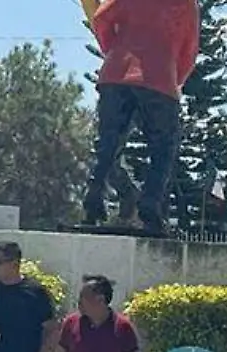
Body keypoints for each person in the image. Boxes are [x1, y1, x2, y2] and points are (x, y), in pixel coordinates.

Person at [82, 0, 200, 235]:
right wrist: (176, 80)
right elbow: (189, 50)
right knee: (163, 148)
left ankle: (93, 197)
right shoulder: (188, 4)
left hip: (116, 74)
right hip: (159, 77)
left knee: (108, 144)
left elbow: (101, 18)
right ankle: (150, 204)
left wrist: (112, 50)